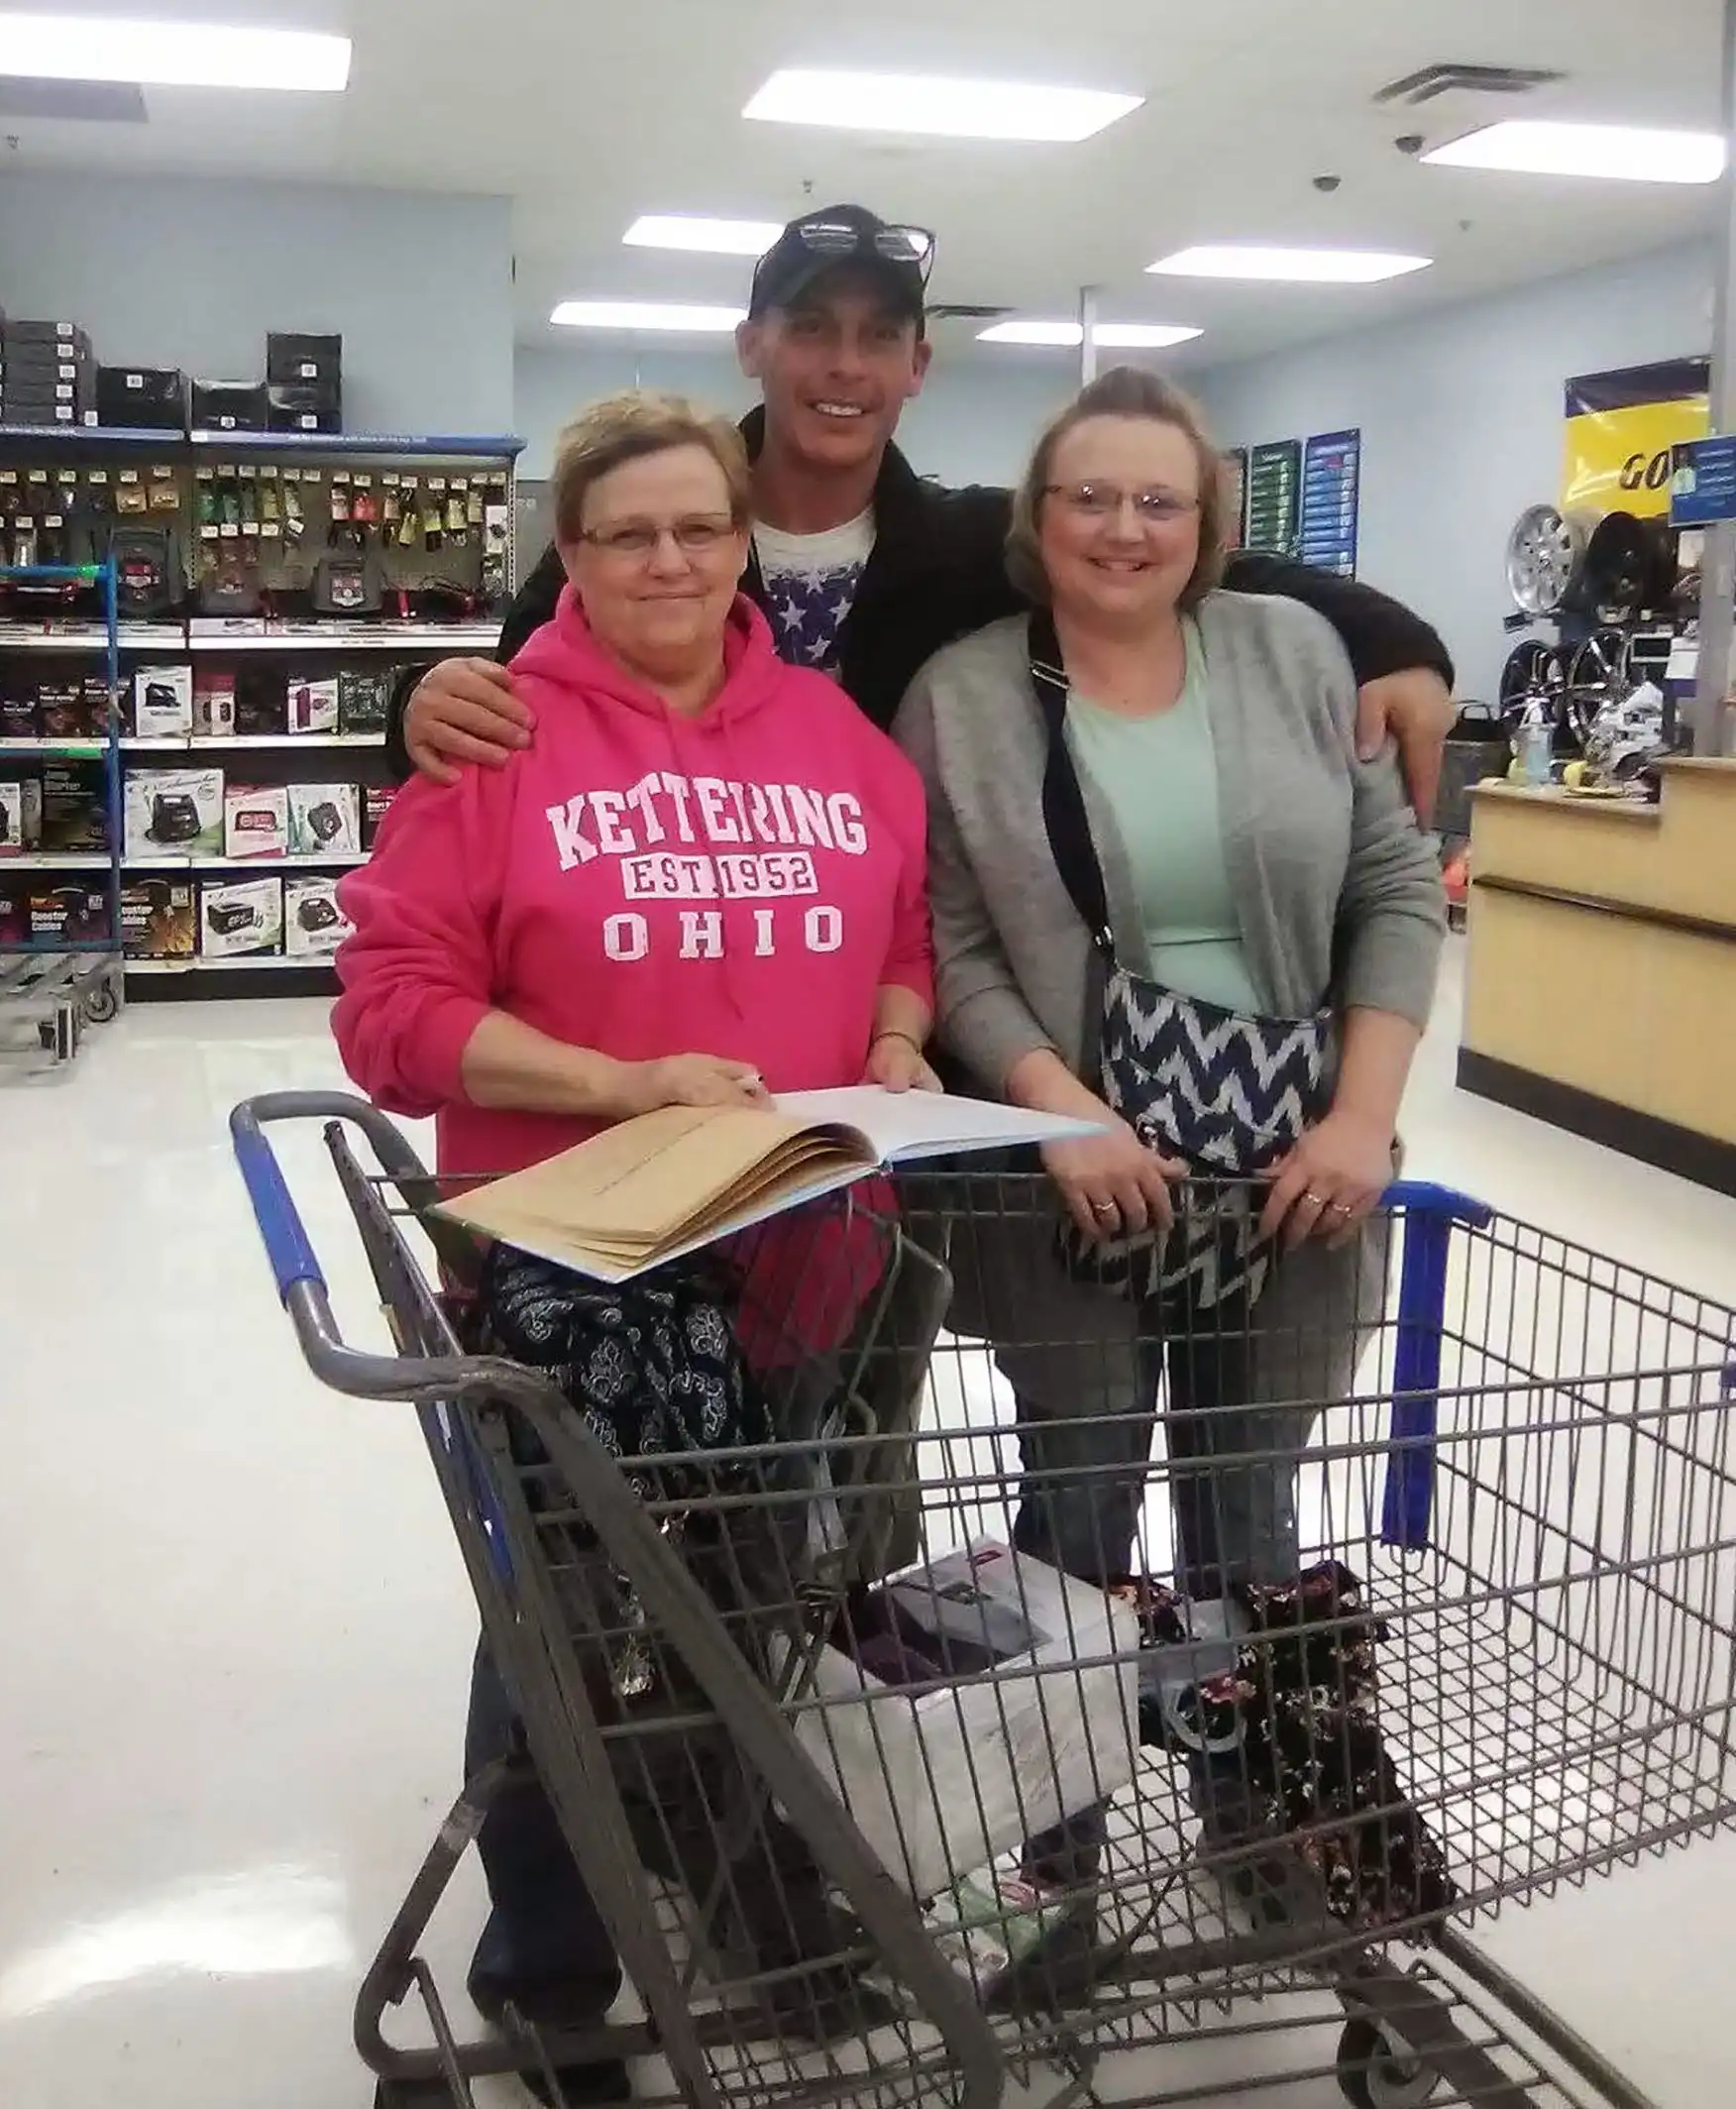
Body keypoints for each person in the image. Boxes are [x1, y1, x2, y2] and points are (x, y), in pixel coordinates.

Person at [333, 389, 936, 2102]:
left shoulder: (834, 731)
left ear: (748, 540)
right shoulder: (491, 740)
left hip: (809, 1249)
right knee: (564, 1616)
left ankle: (739, 1886)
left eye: (700, 526)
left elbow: (907, 916)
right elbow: (391, 1012)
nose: (668, 558)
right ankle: (544, 1969)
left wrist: (897, 1034)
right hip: (572, 1271)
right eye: (625, 532)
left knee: (752, 1591)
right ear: (570, 557)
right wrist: (619, 1079)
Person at [895, 359, 1445, 1616]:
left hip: (1293, 1156)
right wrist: (1061, 1109)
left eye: (1160, 503)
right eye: (1090, 498)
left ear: (1206, 529)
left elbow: (1394, 890)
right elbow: (955, 944)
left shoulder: (1294, 652)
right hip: (1072, 1169)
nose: (1123, 530)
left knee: (1250, 1499)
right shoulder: (960, 694)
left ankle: (1241, 1781)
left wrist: (1361, 1119)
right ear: (1035, 518)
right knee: (1075, 1497)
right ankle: (1063, 1801)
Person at [390, 203, 1459, 831]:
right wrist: (414, 703)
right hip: (675, 956)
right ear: (750, 344)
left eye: (877, 335)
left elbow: (1192, 561)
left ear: (918, 364)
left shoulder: (967, 544)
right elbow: (504, 690)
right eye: (810, 327)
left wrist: (1397, 645)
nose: (843, 365)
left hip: (907, 985)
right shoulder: (654, 536)